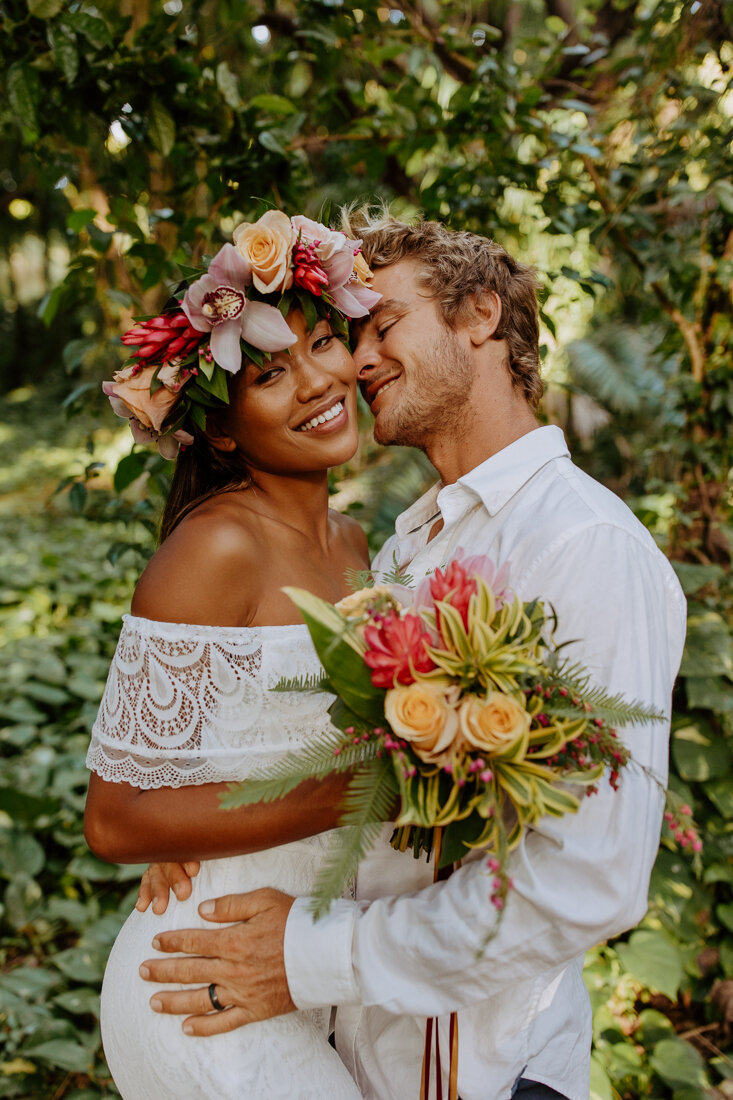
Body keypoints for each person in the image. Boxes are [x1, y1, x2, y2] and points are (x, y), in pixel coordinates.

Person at [137, 209, 687, 1100]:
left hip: (489, 1071)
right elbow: (367, 786)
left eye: (382, 326)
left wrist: (307, 957)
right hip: (349, 1056)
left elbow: (585, 879)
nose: (355, 363)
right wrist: (214, 839)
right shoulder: (400, 552)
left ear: (477, 316)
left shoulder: (582, 545)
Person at [84, 209, 383, 1098]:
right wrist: (366, 784)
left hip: (309, 966)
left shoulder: (361, 543)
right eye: (269, 374)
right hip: (197, 977)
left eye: (324, 342)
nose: (317, 381)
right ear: (220, 430)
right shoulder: (216, 548)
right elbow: (119, 818)